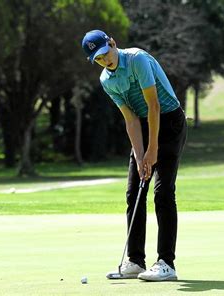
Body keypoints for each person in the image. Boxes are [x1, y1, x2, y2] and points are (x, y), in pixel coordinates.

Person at [81, 30, 187, 281]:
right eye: (97, 59)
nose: (104, 60)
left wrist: (153, 150)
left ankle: (166, 263)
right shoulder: (107, 80)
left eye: (105, 53)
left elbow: (154, 106)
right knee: (135, 191)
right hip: (142, 125)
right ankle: (136, 261)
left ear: (113, 43)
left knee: (162, 192)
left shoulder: (137, 59)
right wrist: (140, 157)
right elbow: (130, 119)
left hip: (169, 123)